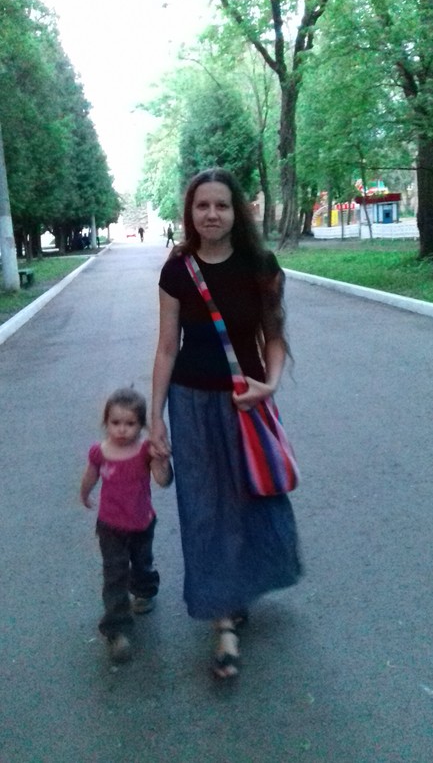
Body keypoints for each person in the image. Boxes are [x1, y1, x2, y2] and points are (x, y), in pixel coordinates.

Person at [151, 168, 302, 679]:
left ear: (238, 211)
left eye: (221, 205)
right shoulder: (177, 270)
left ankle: (240, 589)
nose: (211, 214)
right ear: (190, 213)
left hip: (245, 402)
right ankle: (223, 620)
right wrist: (156, 419)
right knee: (203, 508)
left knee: (253, 496)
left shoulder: (261, 266)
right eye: (202, 206)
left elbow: (274, 336)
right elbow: (166, 347)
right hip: (190, 403)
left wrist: (270, 385)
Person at [80, 387, 173, 663]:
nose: (122, 429)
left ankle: (144, 590)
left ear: (141, 425)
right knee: (115, 574)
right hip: (110, 526)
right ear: (106, 422)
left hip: (142, 522)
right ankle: (116, 629)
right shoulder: (99, 452)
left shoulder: (144, 451)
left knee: (142, 562)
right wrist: (84, 493)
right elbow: (91, 475)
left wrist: (162, 460)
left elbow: (161, 480)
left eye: (130, 423)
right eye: (116, 422)